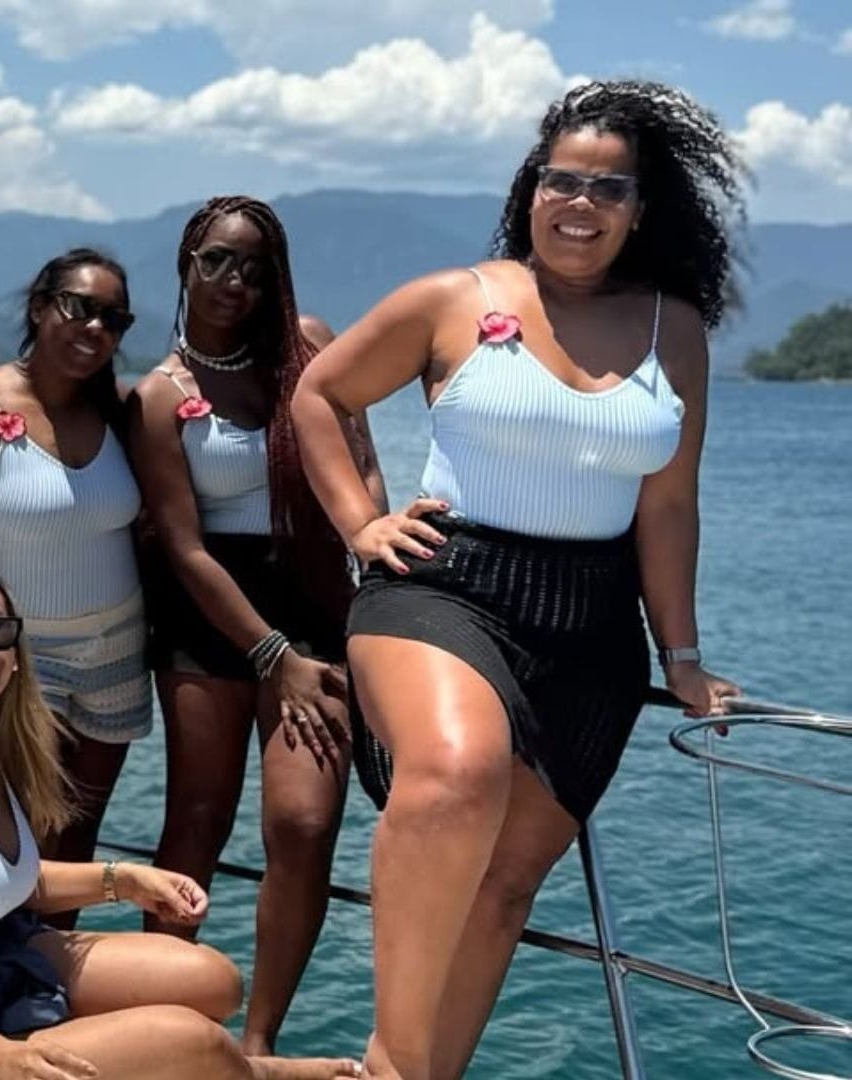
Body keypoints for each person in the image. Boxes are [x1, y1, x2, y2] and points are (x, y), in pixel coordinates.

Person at [290, 80, 745, 1080]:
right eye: (561, 180)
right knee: (455, 778)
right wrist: (361, 523)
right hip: (444, 588)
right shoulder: (455, 298)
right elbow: (320, 393)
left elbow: (669, 507)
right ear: (530, 189)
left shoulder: (674, 330)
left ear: (641, 209)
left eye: (609, 188)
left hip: (592, 628)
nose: (580, 204)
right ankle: (392, 1066)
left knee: (502, 887)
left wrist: (682, 654)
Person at [0, 555, 363, 1080]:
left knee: (213, 981)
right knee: (193, 1042)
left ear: (15, 650)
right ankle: (256, 1073)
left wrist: (123, 880)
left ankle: (241, 1070)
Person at [126, 196, 383, 1053]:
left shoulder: (306, 346)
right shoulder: (159, 396)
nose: (234, 280)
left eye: (254, 267)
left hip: (313, 601)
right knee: (196, 821)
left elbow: (361, 461)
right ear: (186, 264)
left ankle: (260, 1045)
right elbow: (183, 545)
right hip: (207, 614)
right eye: (217, 260)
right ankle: (163, 1032)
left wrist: (373, 556)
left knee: (305, 827)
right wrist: (269, 655)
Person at [0, 250, 148, 912]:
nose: (95, 327)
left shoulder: (117, 412)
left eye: (113, 319)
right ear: (40, 307)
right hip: (22, 655)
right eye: (79, 307)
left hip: (119, 650)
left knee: (81, 835)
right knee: (15, 834)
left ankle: (52, 962)